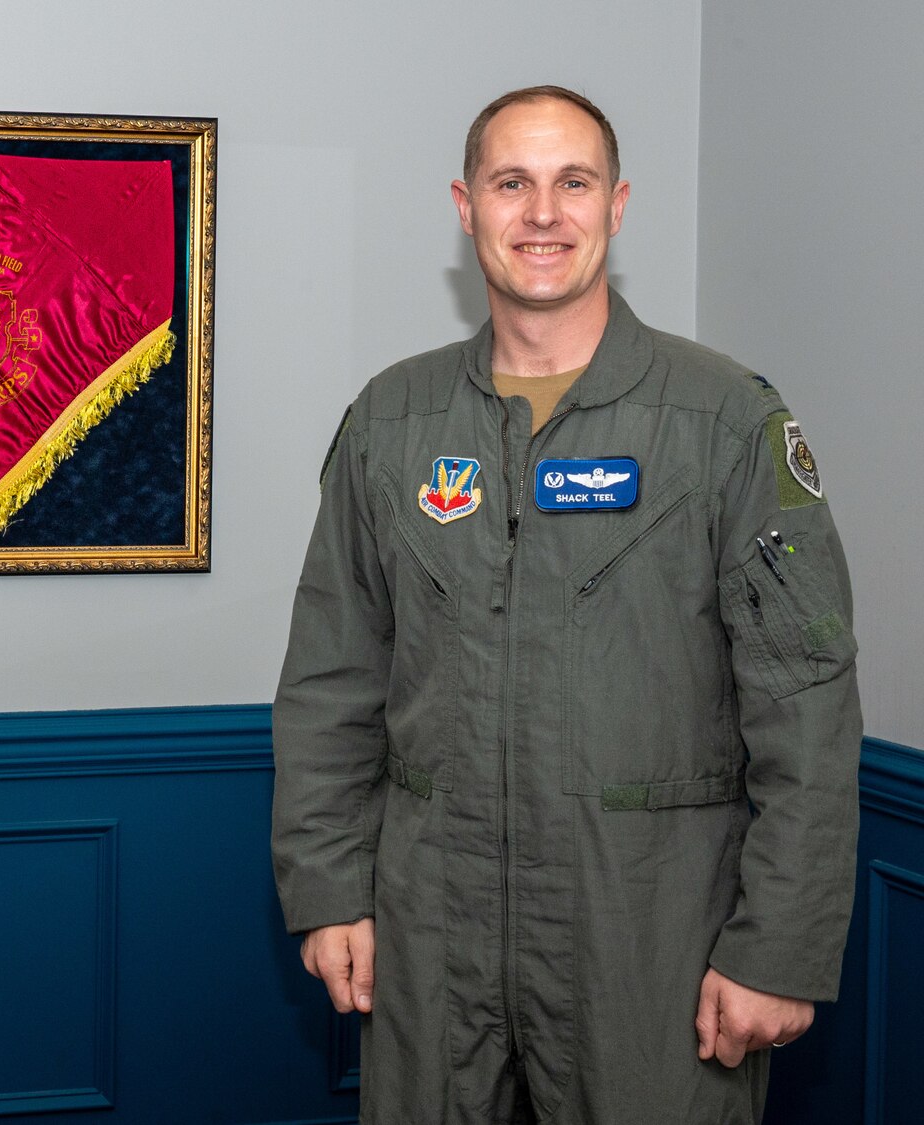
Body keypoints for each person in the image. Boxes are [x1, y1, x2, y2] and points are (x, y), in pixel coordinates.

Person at [271, 86, 860, 1123]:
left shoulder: (720, 421)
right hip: (429, 943)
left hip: (649, 946)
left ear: (616, 205)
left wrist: (777, 948)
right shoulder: (390, 422)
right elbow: (331, 677)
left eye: (570, 182)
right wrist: (327, 890)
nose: (541, 212)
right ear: (464, 207)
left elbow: (802, 698)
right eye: (511, 182)